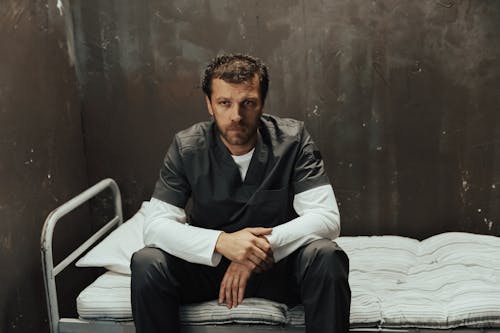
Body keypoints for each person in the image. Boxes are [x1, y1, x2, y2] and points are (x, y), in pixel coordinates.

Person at [130, 53, 351, 333]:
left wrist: (256, 251)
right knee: (147, 262)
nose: (236, 116)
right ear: (209, 104)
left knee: (326, 256)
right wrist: (222, 242)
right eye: (225, 103)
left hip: (277, 267)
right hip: (208, 268)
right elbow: (154, 227)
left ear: (262, 103)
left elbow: (327, 218)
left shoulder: (293, 140)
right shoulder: (187, 147)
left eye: (248, 103)